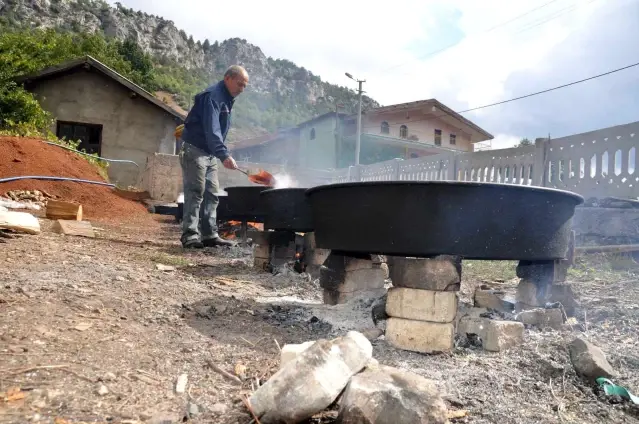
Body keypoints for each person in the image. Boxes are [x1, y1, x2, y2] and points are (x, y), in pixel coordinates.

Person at [178, 65, 249, 249]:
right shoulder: (213, 96)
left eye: (245, 86)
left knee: (212, 193)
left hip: (208, 154)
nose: (242, 89)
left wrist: (219, 153)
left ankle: (209, 234)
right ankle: (190, 236)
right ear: (228, 78)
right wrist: (224, 154)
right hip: (195, 150)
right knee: (196, 191)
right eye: (240, 84)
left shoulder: (226, 98)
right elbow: (212, 130)